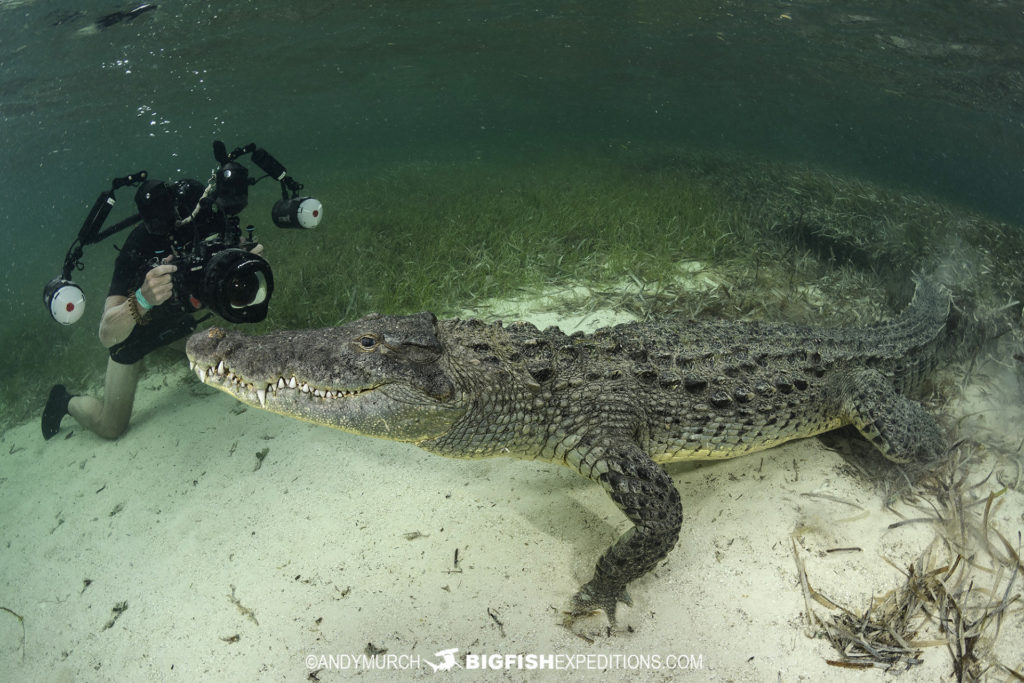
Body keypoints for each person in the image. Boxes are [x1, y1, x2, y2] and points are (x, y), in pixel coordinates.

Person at [41, 177, 263, 439]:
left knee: (231, 356)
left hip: (178, 323)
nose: (184, 224)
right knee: (110, 427)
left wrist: (250, 263)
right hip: (134, 334)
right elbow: (106, 333)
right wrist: (142, 299)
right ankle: (63, 401)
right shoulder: (138, 245)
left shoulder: (209, 222)